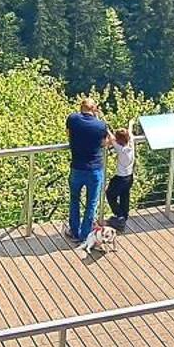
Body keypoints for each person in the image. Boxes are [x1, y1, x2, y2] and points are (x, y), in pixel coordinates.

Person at [65, 98, 110, 246]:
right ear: (94, 109)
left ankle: (74, 230)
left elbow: (68, 134)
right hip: (95, 169)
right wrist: (99, 118)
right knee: (92, 203)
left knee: (74, 199)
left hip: (77, 167)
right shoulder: (101, 125)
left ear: (81, 107)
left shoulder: (73, 119)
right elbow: (105, 143)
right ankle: (85, 234)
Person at [104, 127, 136, 229]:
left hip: (120, 178)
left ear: (118, 140)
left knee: (110, 194)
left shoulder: (120, 149)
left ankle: (120, 215)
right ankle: (124, 216)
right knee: (124, 196)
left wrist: (106, 128)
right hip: (129, 177)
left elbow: (112, 138)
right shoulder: (131, 144)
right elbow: (130, 134)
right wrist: (130, 124)